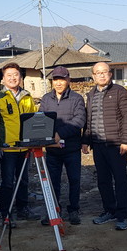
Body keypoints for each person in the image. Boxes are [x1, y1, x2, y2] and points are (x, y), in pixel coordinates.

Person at [0, 62, 40, 226]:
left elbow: (33, 121)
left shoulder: (27, 97)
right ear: (3, 79)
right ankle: (6, 213)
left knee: (23, 180)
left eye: (16, 75)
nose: (13, 78)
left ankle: (23, 208)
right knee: (8, 182)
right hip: (7, 148)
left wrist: (34, 141)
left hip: (24, 147)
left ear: (21, 77)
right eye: (9, 75)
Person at [82, 62, 127, 230]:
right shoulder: (91, 94)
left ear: (110, 74)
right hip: (98, 145)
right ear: (93, 76)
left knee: (120, 180)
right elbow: (89, 121)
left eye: (105, 72)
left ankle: (123, 215)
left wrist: (126, 140)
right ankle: (109, 210)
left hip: (115, 144)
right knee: (103, 180)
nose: (102, 75)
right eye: (98, 73)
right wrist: (86, 141)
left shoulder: (120, 92)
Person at [39, 66, 85, 225]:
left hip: (71, 149)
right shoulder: (45, 99)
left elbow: (79, 121)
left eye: (62, 79)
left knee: (74, 180)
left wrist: (60, 134)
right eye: (55, 79)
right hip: (52, 149)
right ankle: (53, 211)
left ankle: (74, 210)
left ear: (68, 80)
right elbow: (41, 120)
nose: (58, 83)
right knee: (52, 181)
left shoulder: (77, 98)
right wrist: (50, 139)